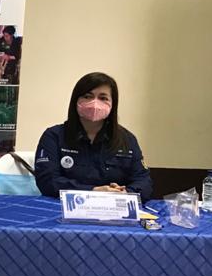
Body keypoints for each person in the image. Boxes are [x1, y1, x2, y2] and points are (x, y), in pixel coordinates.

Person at [34, 72, 152, 200]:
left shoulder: (127, 139)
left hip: (115, 206)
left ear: (113, 104)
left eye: (103, 98)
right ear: (76, 101)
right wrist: (93, 191)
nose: (95, 103)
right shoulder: (54, 136)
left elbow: (144, 181)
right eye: (87, 96)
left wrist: (125, 194)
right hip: (65, 207)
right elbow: (47, 181)